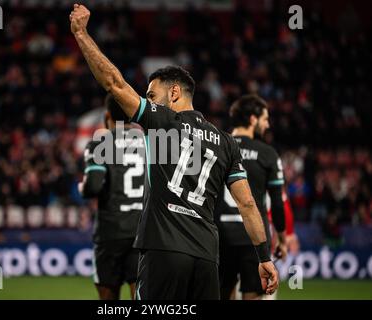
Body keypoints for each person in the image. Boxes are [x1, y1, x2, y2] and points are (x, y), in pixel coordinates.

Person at [70, 4, 278, 300]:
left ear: (175, 93)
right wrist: (264, 257)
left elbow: (114, 83)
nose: (149, 101)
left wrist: (81, 34)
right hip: (207, 258)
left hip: (163, 252)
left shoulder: (161, 121)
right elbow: (247, 205)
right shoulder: (225, 141)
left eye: (152, 95)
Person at [215, 94, 287, 300]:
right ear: (253, 120)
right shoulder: (268, 154)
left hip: (220, 237)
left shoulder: (216, 147)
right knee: (253, 296)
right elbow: (278, 204)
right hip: (254, 239)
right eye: (265, 119)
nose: (267, 125)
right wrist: (281, 239)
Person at [79, 94, 145, 300]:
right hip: (142, 233)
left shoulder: (100, 143)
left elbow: (94, 186)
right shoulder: (153, 144)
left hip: (110, 231)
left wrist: (83, 188)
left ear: (107, 116)